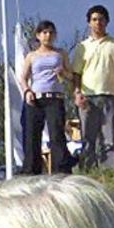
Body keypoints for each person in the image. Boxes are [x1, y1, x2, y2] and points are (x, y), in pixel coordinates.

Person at [70, 6, 114, 170]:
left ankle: (109, 171)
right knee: (88, 138)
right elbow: (76, 73)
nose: (98, 23)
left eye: (101, 19)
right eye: (94, 19)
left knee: (109, 137)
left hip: (111, 95)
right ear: (89, 23)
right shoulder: (83, 46)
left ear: (107, 21)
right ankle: (88, 171)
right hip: (88, 97)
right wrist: (77, 93)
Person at [18, 21, 71, 176]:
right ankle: (30, 171)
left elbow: (71, 75)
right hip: (36, 97)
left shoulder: (60, 54)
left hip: (55, 97)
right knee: (32, 135)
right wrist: (27, 91)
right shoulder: (32, 56)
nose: (48, 36)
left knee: (56, 134)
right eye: (44, 32)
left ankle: (60, 169)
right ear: (38, 35)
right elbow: (23, 77)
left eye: (51, 32)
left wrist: (62, 73)